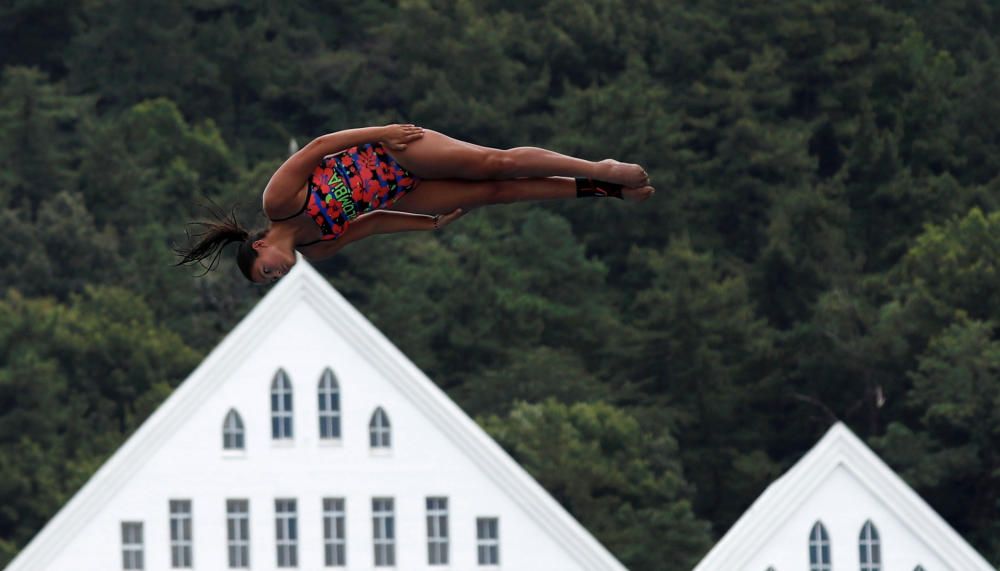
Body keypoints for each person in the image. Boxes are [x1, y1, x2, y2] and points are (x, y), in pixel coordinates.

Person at [175, 124, 654, 283]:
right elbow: (375, 222)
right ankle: (604, 191)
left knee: (494, 164)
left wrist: (382, 132)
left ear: (259, 246)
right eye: (272, 282)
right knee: (494, 195)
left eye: (267, 272)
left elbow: (320, 146)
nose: (278, 275)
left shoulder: (278, 200)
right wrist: (428, 225)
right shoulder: (319, 247)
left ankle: (598, 168)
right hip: (405, 191)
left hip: (395, 151)